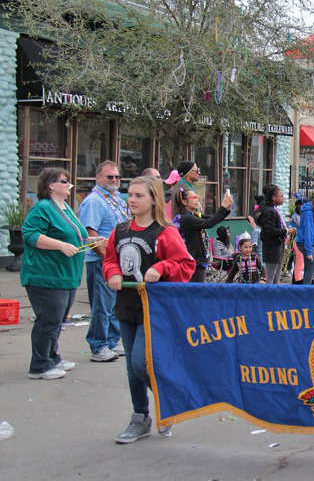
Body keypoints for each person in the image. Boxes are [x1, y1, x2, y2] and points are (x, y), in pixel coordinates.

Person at [103, 176, 195, 443]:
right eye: (129, 194)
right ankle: (140, 417)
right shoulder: (119, 230)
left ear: (154, 199)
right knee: (132, 369)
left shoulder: (165, 232)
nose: (131, 199)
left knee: (140, 364)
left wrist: (160, 267)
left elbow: (185, 265)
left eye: (138, 195)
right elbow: (110, 259)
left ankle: (169, 401)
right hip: (126, 306)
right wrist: (112, 273)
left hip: (154, 310)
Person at [22, 168, 93, 379]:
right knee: (48, 320)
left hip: (66, 275)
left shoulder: (65, 208)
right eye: (64, 181)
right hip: (46, 275)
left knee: (57, 320)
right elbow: (30, 234)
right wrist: (61, 245)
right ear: (50, 185)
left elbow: (75, 234)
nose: (68, 185)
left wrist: (88, 241)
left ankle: (52, 357)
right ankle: (40, 365)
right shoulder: (43, 208)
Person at [78, 160, 128, 363]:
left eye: (117, 177)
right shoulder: (94, 201)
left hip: (118, 260)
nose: (114, 180)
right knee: (102, 305)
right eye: (110, 177)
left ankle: (112, 340)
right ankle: (98, 345)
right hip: (102, 261)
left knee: (115, 304)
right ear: (98, 178)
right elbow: (91, 236)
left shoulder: (117, 199)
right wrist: (108, 261)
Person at [173, 187, 232, 282]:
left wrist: (226, 209)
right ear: (184, 202)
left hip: (201, 259)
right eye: (193, 198)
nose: (197, 200)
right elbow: (208, 223)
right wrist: (223, 207)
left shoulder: (194, 215)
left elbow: (213, 219)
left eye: (196, 197)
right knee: (196, 291)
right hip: (194, 261)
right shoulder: (186, 218)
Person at [256, 184, 295, 284]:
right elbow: (270, 230)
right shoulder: (270, 211)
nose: (283, 198)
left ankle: (275, 296)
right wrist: (286, 231)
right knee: (270, 276)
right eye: (281, 196)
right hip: (271, 248)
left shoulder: (274, 210)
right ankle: (267, 297)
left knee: (276, 276)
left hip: (277, 246)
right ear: (273, 197)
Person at [296, 194, 314, 285]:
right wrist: (308, 251)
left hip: (311, 243)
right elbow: (308, 231)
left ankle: (305, 288)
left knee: (309, 268)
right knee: (311, 268)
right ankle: (305, 290)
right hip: (306, 243)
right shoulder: (308, 213)